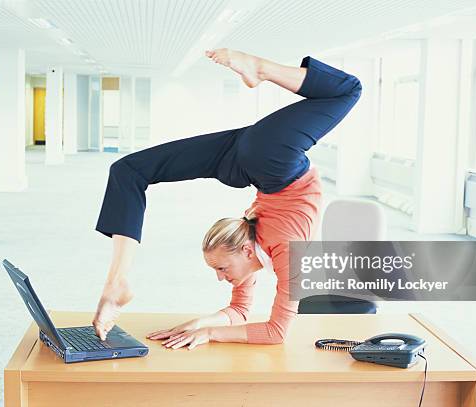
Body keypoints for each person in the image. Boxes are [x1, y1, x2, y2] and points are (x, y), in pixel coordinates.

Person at [92, 48, 362, 349]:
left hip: (251, 161)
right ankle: (261, 68)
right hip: (268, 160)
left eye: (220, 268)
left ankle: (117, 282)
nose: (221, 277)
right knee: (349, 89)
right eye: (220, 270)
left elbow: (243, 316)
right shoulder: (285, 252)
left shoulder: (250, 242)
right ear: (247, 251)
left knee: (130, 170)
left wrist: (203, 328)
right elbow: (273, 331)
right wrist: (205, 329)